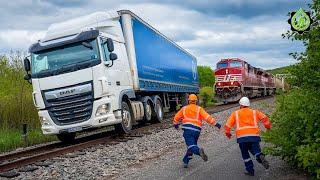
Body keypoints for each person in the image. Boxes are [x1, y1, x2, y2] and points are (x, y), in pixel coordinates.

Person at [224, 97, 271, 176]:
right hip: (254, 137)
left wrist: (228, 134)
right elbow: (265, 118)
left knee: (245, 155)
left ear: (241, 105)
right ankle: (260, 156)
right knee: (256, 151)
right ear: (248, 105)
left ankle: (250, 171)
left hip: (242, 138)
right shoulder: (254, 112)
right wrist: (268, 127)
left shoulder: (235, 113)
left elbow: (227, 126)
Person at [173, 94, 221, 168]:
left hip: (188, 131)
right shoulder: (199, 109)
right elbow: (207, 117)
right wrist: (216, 124)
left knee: (191, 146)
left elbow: (176, 117)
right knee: (192, 145)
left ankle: (199, 151)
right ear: (196, 101)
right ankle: (185, 161)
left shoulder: (184, 108)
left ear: (188, 101)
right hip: (197, 131)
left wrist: (175, 124)